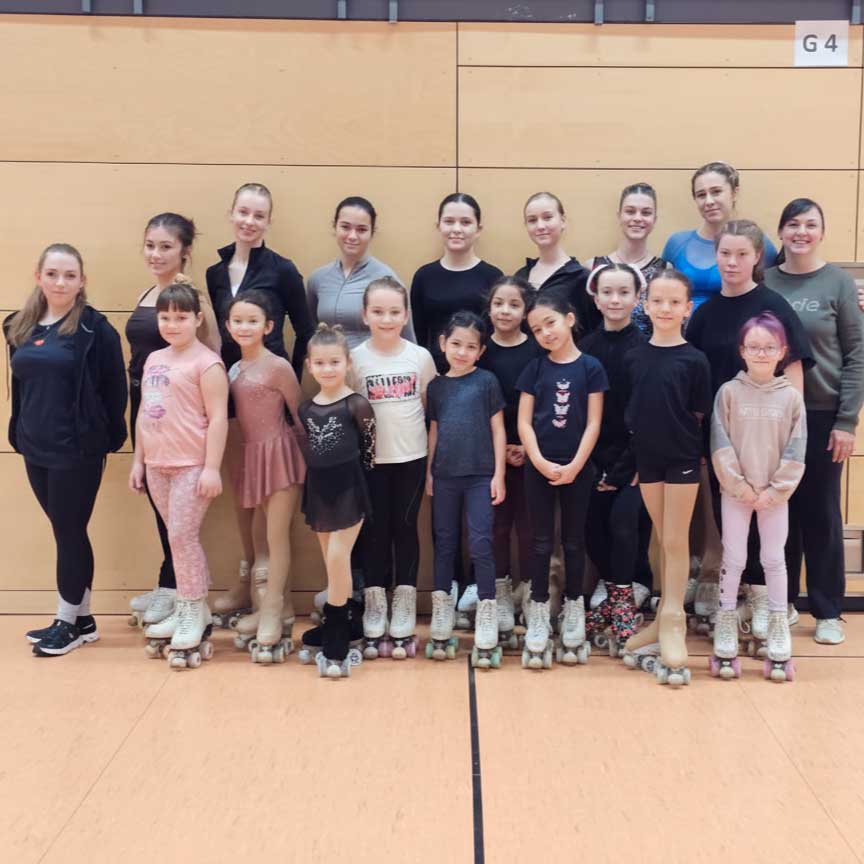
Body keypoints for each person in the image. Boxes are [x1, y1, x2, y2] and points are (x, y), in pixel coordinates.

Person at [686, 219, 813, 641]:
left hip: (771, 439)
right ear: (715, 256)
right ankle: (735, 600)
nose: (733, 262)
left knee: (773, 526)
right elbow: (697, 383)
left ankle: (766, 601)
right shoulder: (703, 316)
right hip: (727, 441)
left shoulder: (775, 306)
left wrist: (789, 442)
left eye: (742, 254)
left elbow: (793, 382)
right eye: (725, 253)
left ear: (758, 256)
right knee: (733, 526)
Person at [7, 243, 127, 656]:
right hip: (33, 446)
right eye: (53, 273)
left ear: (82, 282)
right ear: (39, 276)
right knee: (67, 531)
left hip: (77, 450)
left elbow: (115, 389)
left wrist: (108, 437)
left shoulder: (95, 330)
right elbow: (21, 385)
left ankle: (65, 622)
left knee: (68, 532)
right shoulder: (19, 326)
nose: (61, 282)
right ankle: (84, 618)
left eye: (70, 275)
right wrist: (18, 432)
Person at [206, 182, 312, 629]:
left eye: (259, 215)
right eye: (243, 212)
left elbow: (305, 331)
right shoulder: (214, 273)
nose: (249, 221)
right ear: (231, 213)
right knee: (243, 501)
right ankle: (248, 585)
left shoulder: (283, 270)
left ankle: (275, 599)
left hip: (269, 392)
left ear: (268, 221)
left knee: (273, 501)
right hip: (228, 394)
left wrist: (287, 381)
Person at [764, 198, 864, 645]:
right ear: (780, 232)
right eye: (792, 224)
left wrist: (847, 419)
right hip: (769, 416)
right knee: (777, 510)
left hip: (823, 415)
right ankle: (781, 604)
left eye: (810, 224)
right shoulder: (764, 281)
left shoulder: (839, 283)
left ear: (821, 232)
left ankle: (827, 611)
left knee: (821, 512)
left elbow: (858, 354)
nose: (801, 232)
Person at [127, 213, 220, 631]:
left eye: (165, 246)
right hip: (150, 408)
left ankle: (184, 596)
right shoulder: (149, 292)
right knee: (165, 517)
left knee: (183, 529)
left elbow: (213, 351)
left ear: (184, 250)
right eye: (150, 244)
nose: (156, 253)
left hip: (186, 421)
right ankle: (176, 590)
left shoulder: (190, 296)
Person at [130, 283, 228, 669]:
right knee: (178, 539)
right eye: (166, 317)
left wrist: (212, 468)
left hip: (191, 464)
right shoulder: (154, 359)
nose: (172, 324)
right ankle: (193, 607)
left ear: (197, 319)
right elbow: (143, 411)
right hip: (157, 464)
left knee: (182, 536)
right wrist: (138, 460)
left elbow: (218, 418)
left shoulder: (207, 363)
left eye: (181, 317)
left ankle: (191, 608)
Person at [621, 271, 712, 686]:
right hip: (649, 461)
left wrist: (693, 455)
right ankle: (661, 618)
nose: (665, 309)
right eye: (657, 301)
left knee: (676, 540)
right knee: (661, 537)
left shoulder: (694, 360)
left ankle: (674, 620)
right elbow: (634, 411)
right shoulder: (635, 356)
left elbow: (697, 416)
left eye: (674, 302)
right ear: (646, 304)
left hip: (682, 462)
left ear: (687, 309)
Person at [710, 313, 806, 683]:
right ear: (742, 351)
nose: (761, 353)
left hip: (774, 496)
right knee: (733, 557)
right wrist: (740, 487)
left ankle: (779, 624)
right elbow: (720, 443)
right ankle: (725, 622)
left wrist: (774, 490)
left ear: (782, 351)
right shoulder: (729, 393)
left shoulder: (791, 398)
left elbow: (797, 449)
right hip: (736, 492)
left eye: (769, 347)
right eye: (754, 347)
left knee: (773, 558)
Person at [517, 294, 607, 670]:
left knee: (573, 541)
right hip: (538, 469)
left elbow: (594, 422)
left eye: (550, 323)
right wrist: (537, 460)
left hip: (578, 469)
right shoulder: (534, 369)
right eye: (537, 329)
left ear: (569, 319)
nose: (544, 332)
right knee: (539, 542)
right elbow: (523, 421)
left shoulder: (591, 367)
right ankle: (539, 609)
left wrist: (574, 466)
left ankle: (573, 607)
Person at [349, 277, 436, 660]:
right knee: (374, 531)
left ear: (406, 315)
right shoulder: (354, 359)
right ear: (365, 315)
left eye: (394, 312)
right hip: (370, 463)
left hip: (411, 459)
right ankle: (375, 600)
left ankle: (403, 600)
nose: (387, 319)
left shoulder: (419, 357)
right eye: (378, 312)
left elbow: (430, 412)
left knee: (405, 527)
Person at [224, 290, 306, 663]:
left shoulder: (278, 367)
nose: (244, 327)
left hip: (280, 455)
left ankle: (273, 611)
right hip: (251, 457)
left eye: (252, 321)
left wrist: (312, 464)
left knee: (276, 536)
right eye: (238, 320)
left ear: (268, 326)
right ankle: (275, 606)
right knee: (258, 539)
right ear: (228, 326)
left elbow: (301, 418)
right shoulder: (234, 369)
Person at [425, 312, 506, 667]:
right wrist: (429, 472)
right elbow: (434, 431)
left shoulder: (487, 381)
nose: (462, 352)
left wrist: (499, 474)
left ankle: (487, 608)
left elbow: (498, 431)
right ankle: (442, 609)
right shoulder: (437, 387)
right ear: (443, 343)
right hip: (444, 476)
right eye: (456, 344)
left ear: (481, 350)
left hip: (480, 476)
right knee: (443, 542)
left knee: (480, 542)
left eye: (471, 346)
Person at [297, 324, 376, 678]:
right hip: (319, 488)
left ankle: (336, 631)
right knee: (330, 562)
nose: (327, 369)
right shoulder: (306, 409)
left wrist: (358, 483)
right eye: (320, 363)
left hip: (350, 487)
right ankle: (341, 619)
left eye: (334, 362)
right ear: (310, 365)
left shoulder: (357, 404)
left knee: (338, 555)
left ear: (347, 364)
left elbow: (370, 452)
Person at [580, 263, 651, 655]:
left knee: (625, 524)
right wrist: (593, 466)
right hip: (590, 460)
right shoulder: (585, 349)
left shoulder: (644, 347)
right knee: (593, 529)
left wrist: (625, 468)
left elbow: (645, 415)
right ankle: (612, 589)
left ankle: (623, 600)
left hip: (633, 463)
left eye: (624, 292)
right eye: (607, 292)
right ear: (595, 296)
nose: (615, 300)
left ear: (637, 298)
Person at [477, 276, 542, 649]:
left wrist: (525, 447)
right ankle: (499, 594)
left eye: (514, 305)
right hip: (490, 455)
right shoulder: (480, 350)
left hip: (531, 452)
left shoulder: (536, 351)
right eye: (499, 303)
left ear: (525, 310)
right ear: (489, 307)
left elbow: (544, 404)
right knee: (496, 527)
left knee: (530, 529)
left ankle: (532, 595)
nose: (505, 311)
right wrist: (499, 449)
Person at [662, 162, 778, 309]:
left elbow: (772, 292)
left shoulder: (757, 242)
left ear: (734, 193)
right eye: (701, 195)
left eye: (716, 192)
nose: (709, 201)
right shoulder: (676, 243)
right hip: (684, 331)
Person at [411, 192, 503, 373]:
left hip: (483, 376)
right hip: (435, 376)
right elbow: (418, 335)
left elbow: (497, 334)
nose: (457, 229)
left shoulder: (493, 277)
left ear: (478, 229)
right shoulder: (424, 276)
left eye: (466, 222)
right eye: (449, 221)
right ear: (438, 226)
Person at [307, 196, 415, 349]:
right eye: (345, 227)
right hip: (330, 369)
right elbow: (312, 331)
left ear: (372, 232)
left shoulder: (387, 280)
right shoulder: (317, 279)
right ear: (335, 227)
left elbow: (407, 338)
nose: (352, 236)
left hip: (373, 369)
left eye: (361, 229)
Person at [514, 192, 601, 336]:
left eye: (547, 217)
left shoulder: (581, 278)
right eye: (532, 220)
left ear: (563, 220)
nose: (540, 226)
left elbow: (591, 334)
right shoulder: (520, 276)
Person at [586, 182, 668, 334]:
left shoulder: (664, 270)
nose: (637, 218)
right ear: (619, 216)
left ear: (654, 219)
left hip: (648, 355)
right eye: (630, 211)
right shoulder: (593, 268)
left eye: (646, 213)